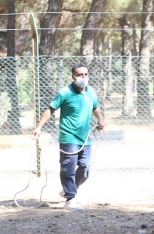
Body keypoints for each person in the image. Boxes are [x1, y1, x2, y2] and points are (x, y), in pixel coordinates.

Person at [32, 65, 105, 211]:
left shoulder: (91, 91)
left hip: (85, 138)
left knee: (85, 168)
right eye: (80, 75)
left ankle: (68, 190)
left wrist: (101, 120)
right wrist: (39, 127)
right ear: (73, 77)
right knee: (68, 168)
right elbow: (50, 109)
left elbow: (95, 107)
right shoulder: (65, 92)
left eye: (86, 74)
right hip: (68, 137)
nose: (83, 77)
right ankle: (70, 200)